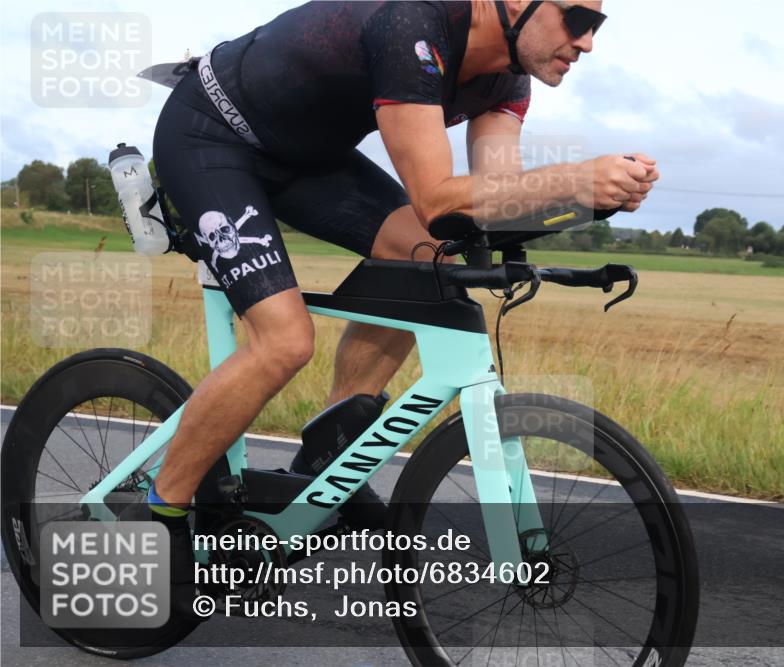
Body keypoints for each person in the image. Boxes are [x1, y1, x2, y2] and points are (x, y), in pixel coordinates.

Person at [148, 0, 658, 618]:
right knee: (284, 341)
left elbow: (494, 204)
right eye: (579, 19)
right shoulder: (411, 24)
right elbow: (438, 198)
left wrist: (591, 203)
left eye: (597, 26)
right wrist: (575, 179)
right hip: (212, 135)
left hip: (306, 157)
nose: (588, 43)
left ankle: (326, 461)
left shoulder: (508, 76)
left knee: (428, 256)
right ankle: (163, 513)